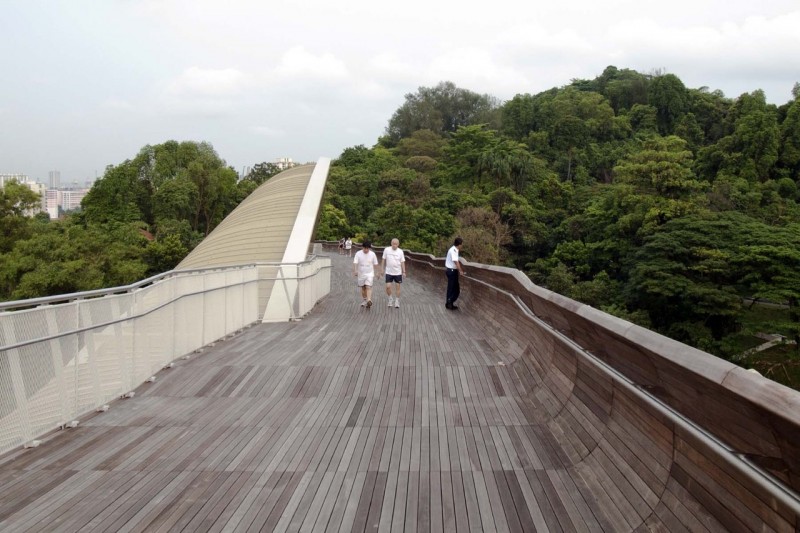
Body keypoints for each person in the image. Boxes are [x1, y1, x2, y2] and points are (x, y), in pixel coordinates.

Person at [381, 238, 406, 308]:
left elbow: (402, 262)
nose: (394, 245)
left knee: (397, 287)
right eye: (393, 244)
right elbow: (383, 259)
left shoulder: (400, 251)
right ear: (391, 243)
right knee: (388, 287)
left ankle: (397, 301)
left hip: (398, 272)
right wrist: (382, 269)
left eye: (396, 244)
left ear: (398, 244)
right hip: (389, 272)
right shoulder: (387, 250)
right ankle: (390, 298)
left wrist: (404, 271)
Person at [353, 240, 379, 308]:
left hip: (369, 273)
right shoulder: (358, 253)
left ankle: (369, 300)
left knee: (368, 286)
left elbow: (375, 264)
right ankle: (365, 299)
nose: (366, 250)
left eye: (368, 248)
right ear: (363, 247)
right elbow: (355, 262)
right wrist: (355, 270)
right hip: (361, 273)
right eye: (365, 248)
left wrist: (377, 272)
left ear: (369, 248)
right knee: (363, 288)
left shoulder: (372, 254)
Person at [445, 237, 465, 310]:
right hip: (452, 271)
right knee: (454, 289)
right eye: (461, 244)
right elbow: (456, 262)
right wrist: (461, 271)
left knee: (452, 288)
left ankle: (449, 303)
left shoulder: (453, 249)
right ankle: (449, 303)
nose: (462, 246)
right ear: (459, 244)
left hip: (450, 270)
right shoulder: (454, 250)